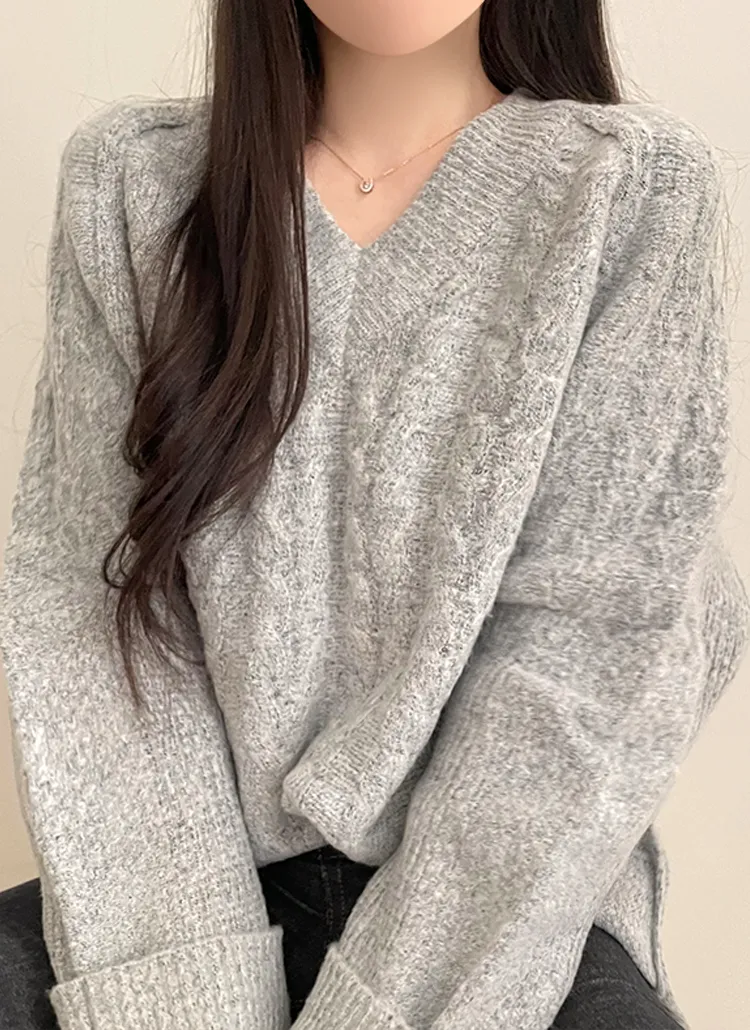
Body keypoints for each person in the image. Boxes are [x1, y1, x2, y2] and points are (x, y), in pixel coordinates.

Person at [0, 1, 748, 1029]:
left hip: (491, 927)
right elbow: (89, 610)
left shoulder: (631, 189)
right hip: (179, 901)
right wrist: (185, 998)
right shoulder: (135, 183)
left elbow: (596, 652)